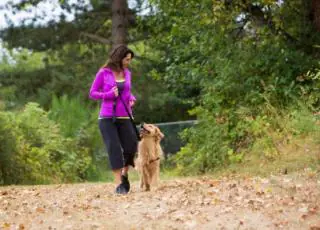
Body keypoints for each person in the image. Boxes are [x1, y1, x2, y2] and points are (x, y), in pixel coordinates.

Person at [89, 44, 138, 194]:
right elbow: (93, 93)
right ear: (119, 58)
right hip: (107, 117)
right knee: (114, 148)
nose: (128, 62)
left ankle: (124, 175)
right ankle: (118, 184)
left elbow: (127, 92)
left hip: (125, 115)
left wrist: (132, 98)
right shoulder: (103, 73)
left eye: (130, 60)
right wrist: (107, 95)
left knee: (131, 146)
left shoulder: (127, 73)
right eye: (127, 59)